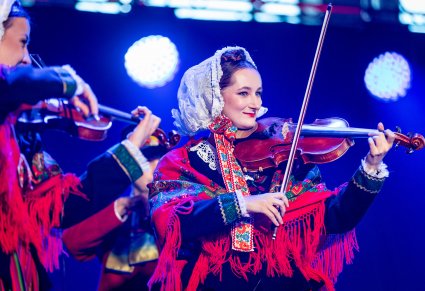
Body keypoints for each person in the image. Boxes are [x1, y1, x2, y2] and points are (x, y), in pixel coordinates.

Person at [147, 46, 395, 291]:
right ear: (215, 96)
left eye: (258, 93)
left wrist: (371, 167)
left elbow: (335, 218)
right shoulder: (184, 160)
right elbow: (171, 221)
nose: (255, 103)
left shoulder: (286, 157)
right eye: (244, 93)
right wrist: (243, 203)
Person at [0, 1, 160, 290]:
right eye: (21, 44)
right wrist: (66, 79)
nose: (26, 59)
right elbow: (10, 84)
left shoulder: (22, 138)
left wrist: (132, 146)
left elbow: (66, 207)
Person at [62, 128, 179, 291]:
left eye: (159, 158)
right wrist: (123, 206)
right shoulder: (118, 212)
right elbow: (72, 244)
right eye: (146, 158)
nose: (155, 165)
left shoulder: (179, 208)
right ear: (131, 165)